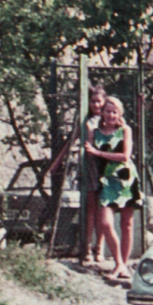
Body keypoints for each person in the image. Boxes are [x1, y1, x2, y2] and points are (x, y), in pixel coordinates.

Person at [49, 83, 108, 264]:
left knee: (103, 211)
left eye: (99, 101)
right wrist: (57, 163)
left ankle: (101, 249)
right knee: (90, 210)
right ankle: (87, 248)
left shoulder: (110, 120)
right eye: (93, 101)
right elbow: (70, 142)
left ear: (104, 101)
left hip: (107, 167)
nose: (96, 105)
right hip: (90, 167)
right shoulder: (86, 123)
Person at [85, 94, 142, 280]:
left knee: (127, 224)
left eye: (114, 112)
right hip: (107, 182)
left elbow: (125, 156)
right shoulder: (95, 132)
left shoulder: (125, 130)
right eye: (108, 111)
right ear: (102, 113)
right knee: (105, 223)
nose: (111, 115)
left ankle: (122, 267)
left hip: (126, 180)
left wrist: (98, 152)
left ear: (120, 114)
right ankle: (118, 262)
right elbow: (88, 154)